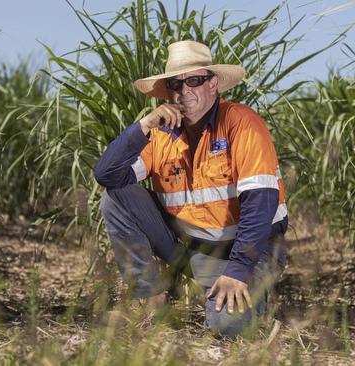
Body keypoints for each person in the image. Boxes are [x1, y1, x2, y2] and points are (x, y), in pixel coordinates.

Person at [94, 40, 288, 337]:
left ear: (213, 85)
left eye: (194, 81)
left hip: (250, 251)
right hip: (191, 248)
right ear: (168, 92)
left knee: (228, 328)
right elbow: (108, 175)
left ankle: (250, 290)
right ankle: (150, 295)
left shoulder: (242, 124)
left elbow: (261, 203)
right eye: (175, 84)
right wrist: (143, 126)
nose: (185, 91)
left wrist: (237, 270)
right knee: (116, 198)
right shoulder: (160, 133)